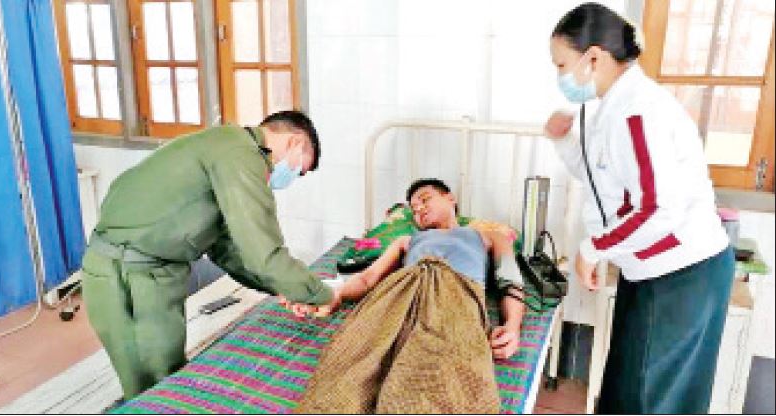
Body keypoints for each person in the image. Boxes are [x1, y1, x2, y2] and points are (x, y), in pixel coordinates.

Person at [545, 3, 734, 414]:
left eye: (561, 65)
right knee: (628, 389)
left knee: (649, 398)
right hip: (650, 269)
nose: (560, 77)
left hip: (681, 275)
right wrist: (564, 141)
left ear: (593, 58)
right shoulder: (612, 106)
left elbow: (656, 208)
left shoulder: (637, 112)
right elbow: (603, 181)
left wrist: (593, 248)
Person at [80, 110, 335, 400]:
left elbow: (227, 249)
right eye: (300, 170)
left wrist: (284, 288)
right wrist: (322, 294)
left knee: (158, 376)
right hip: (128, 275)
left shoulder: (225, 144)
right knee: (155, 386)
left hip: (133, 269)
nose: (293, 176)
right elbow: (263, 252)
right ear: (294, 142)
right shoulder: (241, 155)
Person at [290, 178, 525, 413]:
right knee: (352, 364)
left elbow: (511, 282)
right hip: (399, 295)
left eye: (425, 199)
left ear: (450, 199)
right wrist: (335, 295)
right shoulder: (407, 241)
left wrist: (512, 327)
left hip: (454, 300)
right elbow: (368, 278)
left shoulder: (489, 236)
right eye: (414, 209)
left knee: (440, 377)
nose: (419, 209)